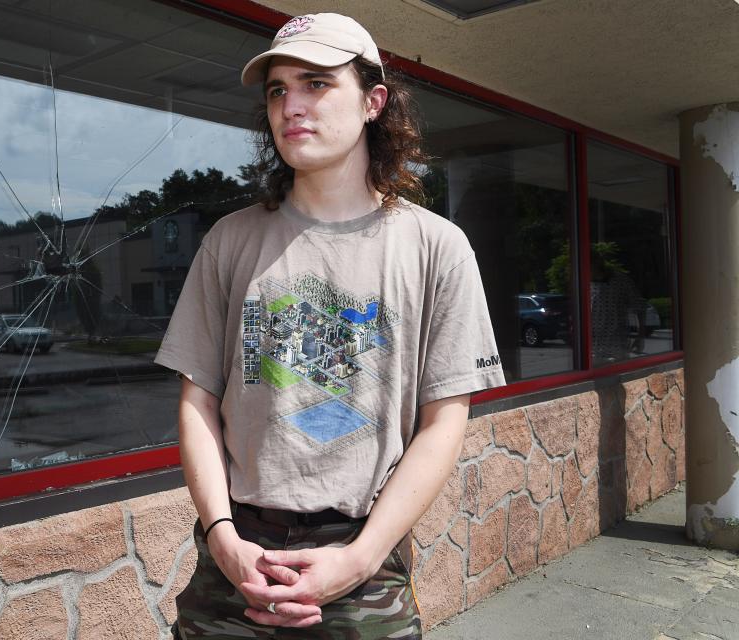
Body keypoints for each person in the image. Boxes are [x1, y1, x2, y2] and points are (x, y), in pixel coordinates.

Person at [153, 13, 505, 639]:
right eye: (277, 89)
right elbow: (197, 401)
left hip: (364, 559)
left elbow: (444, 421)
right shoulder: (230, 241)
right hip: (236, 556)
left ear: (373, 102)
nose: (291, 105)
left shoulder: (436, 247)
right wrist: (223, 537)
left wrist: (359, 558)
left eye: (316, 83)